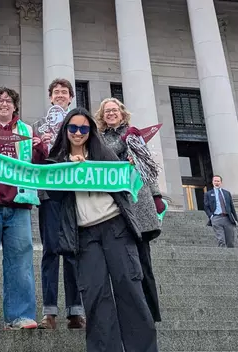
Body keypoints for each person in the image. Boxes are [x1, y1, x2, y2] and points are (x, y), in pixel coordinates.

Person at [46, 107, 158, 352]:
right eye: (73, 128)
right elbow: (49, 193)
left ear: (90, 131)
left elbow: (127, 183)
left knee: (130, 293)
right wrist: (67, 168)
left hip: (116, 228)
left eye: (84, 128)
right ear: (65, 130)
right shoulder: (56, 163)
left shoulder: (105, 155)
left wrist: (128, 167)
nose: (78, 133)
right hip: (85, 236)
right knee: (96, 299)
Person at [0, 87, 48, 330]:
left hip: (19, 204)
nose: (4, 104)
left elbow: (38, 165)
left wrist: (40, 148)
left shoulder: (28, 131)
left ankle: (20, 316)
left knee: (20, 262)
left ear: (15, 106)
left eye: (8, 101)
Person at [95, 97, 164, 322]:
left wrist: (156, 195)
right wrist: (125, 146)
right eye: (107, 112)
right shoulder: (100, 139)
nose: (111, 114)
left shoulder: (135, 135)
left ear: (122, 113)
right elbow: (107, 158)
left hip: (139, 200)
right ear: (102, 116)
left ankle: (151, 312)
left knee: (144, 260)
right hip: (115, 203)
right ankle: (126, 309)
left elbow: (147, 167)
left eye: (114, 110)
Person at [33, 79, 85, 329]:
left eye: (65, 92)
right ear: (51, 98)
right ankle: (49, 312)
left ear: (71, 98)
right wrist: (38, 147)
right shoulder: (38, 126)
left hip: (74, 194)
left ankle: (75, 312)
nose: (61, 95)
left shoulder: (79, 126)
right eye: (57, 92)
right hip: (49, 195)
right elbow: (32, 162)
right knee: (51, 250)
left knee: (74, 251)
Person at [203, 175, 238, 248]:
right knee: (221, 240)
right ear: (212, 182)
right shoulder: (208, 194)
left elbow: (231, 206)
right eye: (215, 181)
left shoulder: (226, 193)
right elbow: (206, 207)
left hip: (227, 218)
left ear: (221, 182)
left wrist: (235, 219)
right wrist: (211, 216)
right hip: (216, 218)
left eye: (218, 181)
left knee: (230, 240)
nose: (216, 183)